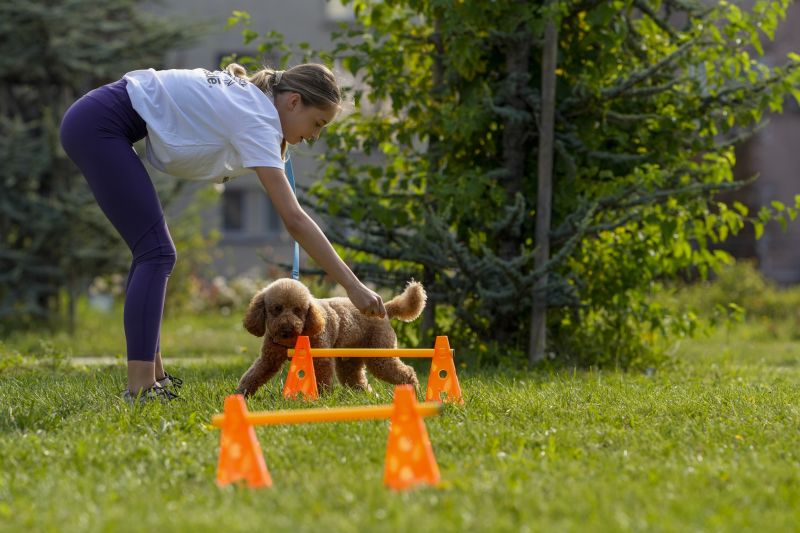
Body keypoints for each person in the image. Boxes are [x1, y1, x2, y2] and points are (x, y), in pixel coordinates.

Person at [59, 63, 386, 403]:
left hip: (96, 119)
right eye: (317, 123)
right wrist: (353, 286)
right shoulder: (258, 118)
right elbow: (295, 219)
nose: (315, 135)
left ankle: (154, 379)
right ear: (293, 102)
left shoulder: (254, 105)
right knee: (156, 253)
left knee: (152, 251)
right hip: (97, 125)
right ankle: (141, 388)